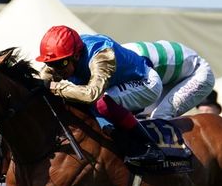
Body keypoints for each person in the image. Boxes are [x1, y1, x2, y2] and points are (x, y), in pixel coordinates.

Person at [37, 25, 164, 165]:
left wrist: (56, 87)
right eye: (50, 64)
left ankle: (150, 147)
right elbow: (42, 79)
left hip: (146, 83)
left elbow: (92, 94)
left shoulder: (101, 56)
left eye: (61, 63)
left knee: (101, 103)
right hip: (116, 87)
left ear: (76, 55)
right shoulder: (64, 57)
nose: (55, 69)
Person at [122, 40, 214, 119]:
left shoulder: (131, 65)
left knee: (160, 115)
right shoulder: (116, 55)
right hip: (166, 77)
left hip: (197, 73)